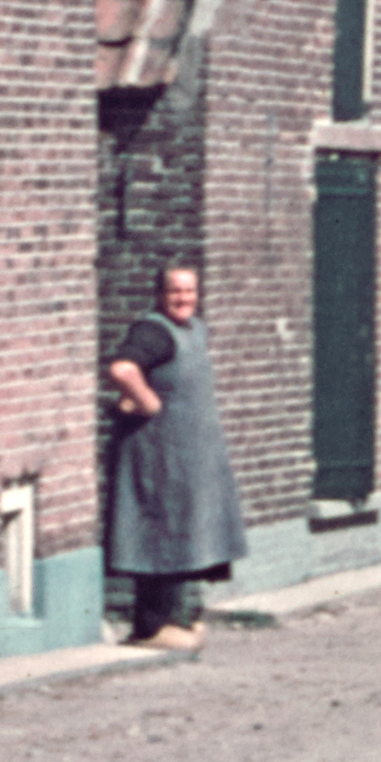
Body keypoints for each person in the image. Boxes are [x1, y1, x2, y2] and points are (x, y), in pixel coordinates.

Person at [101, 266, 246, 648]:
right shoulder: (154, 331)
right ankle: (150, 627)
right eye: (174, 291)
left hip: (187, 455)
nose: (183, 298)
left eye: (189, 290)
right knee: (159, 530)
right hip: (159, 453)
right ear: (159, 294)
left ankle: (175, 619)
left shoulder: (194, 329)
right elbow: (123, 368)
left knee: (185, 529)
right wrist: (148, 403)